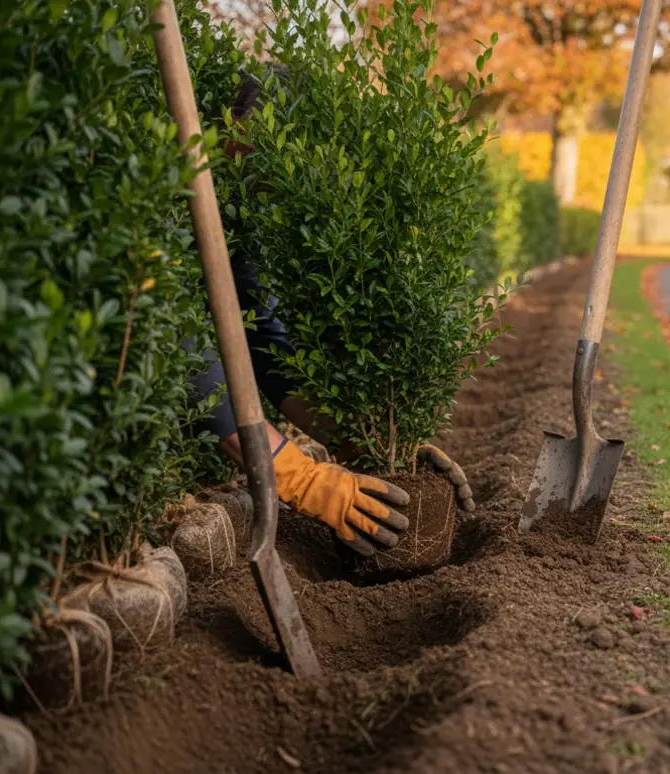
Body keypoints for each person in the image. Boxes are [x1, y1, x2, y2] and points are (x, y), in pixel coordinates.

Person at [189, 68, 472, 557]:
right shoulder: (174, 191)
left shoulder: (245, 213)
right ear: (236, 126)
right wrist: (297, 478)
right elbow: (186, 353)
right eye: (271, 149)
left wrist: (359, 443)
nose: (281, 175)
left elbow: (262, 342)